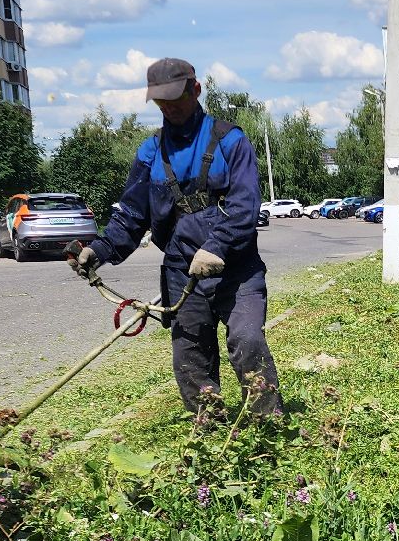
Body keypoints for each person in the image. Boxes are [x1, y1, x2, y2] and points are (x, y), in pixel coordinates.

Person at [70, 57, 280, 415]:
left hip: (237, 270)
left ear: (195, 90)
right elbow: (133, 215)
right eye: (161, 101)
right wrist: (99, 249)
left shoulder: (230, 141)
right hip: (183, 273)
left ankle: (268, 426)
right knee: (191, 359)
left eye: (176, 97)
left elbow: (246, 206)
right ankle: (208, 432)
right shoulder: (151, 152)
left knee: (247, 339)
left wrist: (216, 247)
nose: (169, 107)